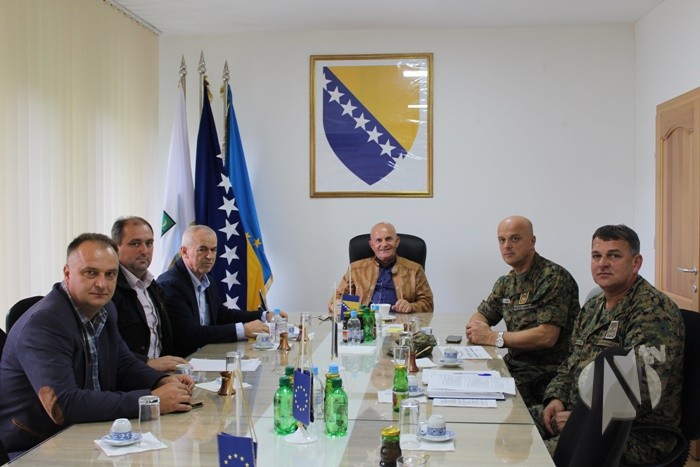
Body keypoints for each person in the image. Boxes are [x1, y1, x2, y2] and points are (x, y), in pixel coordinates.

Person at [0, 233, 193, 452]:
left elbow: (123, 364)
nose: (102, 284)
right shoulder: (44, 324)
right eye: (90, 273)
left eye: (110, 274)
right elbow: (63, 405)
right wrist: (150, 400)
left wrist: (161, 381)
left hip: (90, 433)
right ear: (67, 274)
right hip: (37, 446)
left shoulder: (106, 309)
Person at [534, 224, 684, 464]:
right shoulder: (593, 306)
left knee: (533, 456)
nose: (602, 263)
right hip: (578, 414)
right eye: (596, 256)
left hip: (633, 433)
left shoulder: (652, 310)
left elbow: (644, 390)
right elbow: (571, 362)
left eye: (613, 256)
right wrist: (555, 399)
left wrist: (581, 418)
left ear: (635, 263)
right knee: (511, 428)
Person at [466, 215, 579, 407]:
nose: (507, 246)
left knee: (483, 401)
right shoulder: (507, 282)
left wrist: (493, 337)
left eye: (515, 239)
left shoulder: (552, 278)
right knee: (468, 385)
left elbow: (546, 336)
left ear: (532, 241)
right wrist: (478, 328)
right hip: (514, 367)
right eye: (502, 240)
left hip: (546, 374)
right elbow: (482, 314)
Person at [158, 225, 282, 357]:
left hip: (207, 355)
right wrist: (243, 330)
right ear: (184, 252)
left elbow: (222, 315)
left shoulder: (207, 280)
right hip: (184, 361)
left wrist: (263, 315)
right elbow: (191, 334)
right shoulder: (170, 285)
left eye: (213, 250)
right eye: (202, 249)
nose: (209, 256)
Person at [110, 216, 188, 372]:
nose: (144, 251)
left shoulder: (153, 285)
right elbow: (106, 348)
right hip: (130, 377)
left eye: (149, 243)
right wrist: (146, 363)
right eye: (135, 243)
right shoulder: (109, 289)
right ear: (115, 248)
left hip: (160, 375)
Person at [331, 222, 433, 313]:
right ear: (372, 245)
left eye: (388, 239)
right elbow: (336, 299)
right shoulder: (355, 269)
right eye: (378, 240)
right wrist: (338, 305)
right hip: (367, 322)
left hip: (400, 323)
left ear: (397, 241)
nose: (384, 244)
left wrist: (411, 306)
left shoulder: (415, 269)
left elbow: (428, 304)